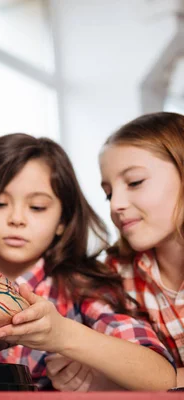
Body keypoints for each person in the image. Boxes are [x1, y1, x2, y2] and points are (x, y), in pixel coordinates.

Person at [0, 133, 175, 391]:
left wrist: (64, 337)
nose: (16, 218)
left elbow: (161, 375)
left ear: (62, 220)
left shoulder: (82, 287)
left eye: (37, 207)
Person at [100, 112, 184, 388]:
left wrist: (164, 378)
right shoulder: (121, 272)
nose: (115, 205)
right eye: (109, 193)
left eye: (135, 182)